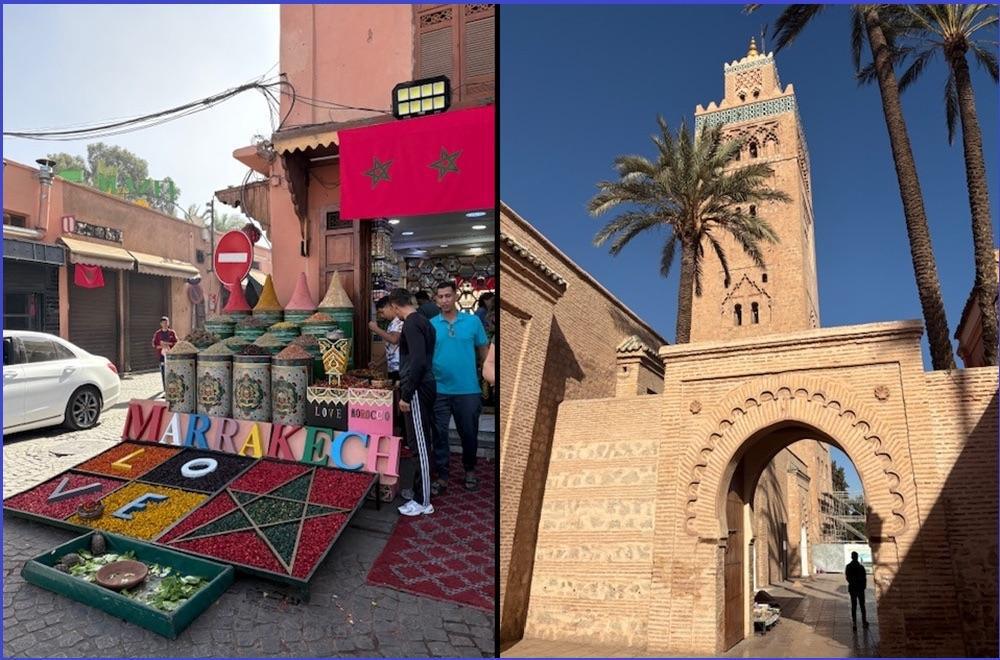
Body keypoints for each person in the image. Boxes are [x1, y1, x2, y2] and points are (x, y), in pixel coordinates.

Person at [429, 281, 489, 493]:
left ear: (455, 296)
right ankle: (442, 476)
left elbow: (484, 350)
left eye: (448, 295)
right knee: (440, 435)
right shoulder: (431, 325)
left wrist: (486, 376)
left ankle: (470, 470)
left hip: (468, 390)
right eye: (440, 297)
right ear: (436, 300)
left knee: (469, 433)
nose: (444, 300)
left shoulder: (472, 322)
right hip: (439, 390)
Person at [386, 288, 436, 517]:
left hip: (417, 388)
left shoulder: (412, 323)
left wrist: (406, 393)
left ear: (396, 306)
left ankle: (423, 500)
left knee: (419, 445)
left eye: (391, 308)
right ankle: (418, 490)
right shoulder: (424, 322)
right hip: (421, 385)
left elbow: (417, 361)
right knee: (420, 441)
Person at [368, 296, 403, 382]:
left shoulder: (399, 321)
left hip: (400, 368)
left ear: (390, 307)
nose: (382, 316)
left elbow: (394, 340)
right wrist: (378, 363)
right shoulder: (392, 323)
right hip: (392, 368)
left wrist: (376, 329)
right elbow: (390, 350)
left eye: (382, 312)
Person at [151, 316, 178, 392]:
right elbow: (154, 344)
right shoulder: (158, 334)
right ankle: (165, 390)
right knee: (163, 372)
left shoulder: (172, 332)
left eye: (166, 323)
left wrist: (168, 344)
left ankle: (173, 388)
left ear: (168, 323)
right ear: (161, 324)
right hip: (162, 357)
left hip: (172, 357)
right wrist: (160, 346)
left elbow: (176, 343)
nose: (165, 324)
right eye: (163, 323)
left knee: (172, 372)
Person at [845, 551, 869, 630]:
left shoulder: (848, 566)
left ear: (852, 557)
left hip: (853, 589)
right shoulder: (861, 567)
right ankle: (864, 622)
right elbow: (864, 578)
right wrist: (863, 586)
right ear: (857, 557)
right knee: (862, 606)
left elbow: (847, 578)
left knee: (854, 606)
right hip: (860, 589)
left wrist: (853, 583)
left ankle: (854, 623)